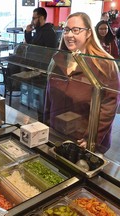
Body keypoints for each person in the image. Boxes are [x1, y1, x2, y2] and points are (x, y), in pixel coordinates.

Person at [44, 12, 120, 154]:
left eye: (76, 30)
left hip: (84, 141)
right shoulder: (58, 59)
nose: (69, 35)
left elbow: (109, 105)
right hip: (57, 133)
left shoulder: (105, 63)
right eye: (66, 30)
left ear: (89, 33)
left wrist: (92, 138)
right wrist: (46, 122)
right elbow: (49, 96)